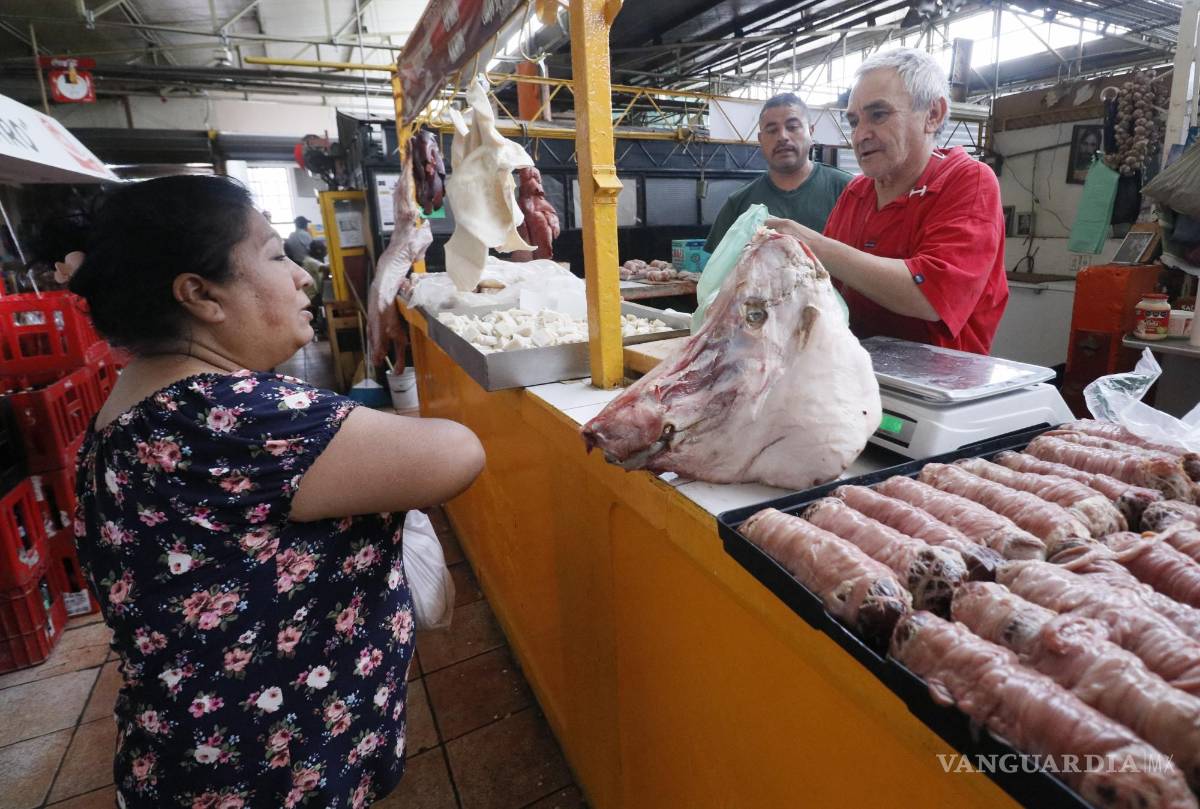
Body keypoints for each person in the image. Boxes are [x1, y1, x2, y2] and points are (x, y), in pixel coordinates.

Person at [65, 175, 485, 808]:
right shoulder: (225, 413)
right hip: (268, 767)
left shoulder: (137, 403)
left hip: (199, 752)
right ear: (200, 295)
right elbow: (458, 452)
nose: (302, 277)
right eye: (272, 255)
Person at [765, 48, 1008, 355]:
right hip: (856, 377)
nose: (860, 135)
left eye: (878, 115)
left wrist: (808, 242)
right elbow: (823, 287)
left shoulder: (968, 181)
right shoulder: (857, 193)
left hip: (934, 391)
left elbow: (930, 296)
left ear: (932, 115)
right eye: (854, 121)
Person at [704, 92, 852, 253]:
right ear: (760, 139)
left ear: (811, 131)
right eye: (772, 130)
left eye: (792, 127)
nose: (782, 137)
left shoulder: (849, 191)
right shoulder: (740, 204)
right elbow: (718, 271)